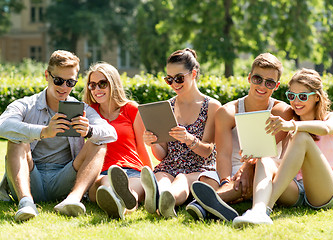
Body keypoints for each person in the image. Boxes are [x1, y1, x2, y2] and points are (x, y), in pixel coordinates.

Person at [0, 50, 117, 222]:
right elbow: (3, 125)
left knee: (99, 143)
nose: (64, 87)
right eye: (59, 80)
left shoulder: (81, 108)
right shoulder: (27, 104)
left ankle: (73, 200)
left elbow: (111, 133)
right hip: (31, 177)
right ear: (47, 75)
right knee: (16, 139)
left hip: (65, 178)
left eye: (70, 82)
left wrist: (89, 131)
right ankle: (26, 203)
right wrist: (43, 132)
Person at [232, 68, 333, 227]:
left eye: (303, 96)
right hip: (298, 191)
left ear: (317, 97)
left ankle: (266, 208)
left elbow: (325, 128)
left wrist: (291, 125)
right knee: (265, 159)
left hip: (327, 191)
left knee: (302, 135)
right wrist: (256, 159)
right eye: (292, 96)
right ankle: (258, 210)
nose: (296, 101)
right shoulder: (291, 130)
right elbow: (287, 167)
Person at [187, 53, 293, 221]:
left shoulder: (282, 112)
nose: (262, 86)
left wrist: (247, 169)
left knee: (253, 176)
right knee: (209, 178)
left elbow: (263, 149)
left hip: (264, 169)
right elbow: (223, 154)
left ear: (277, 86)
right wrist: (226, 181)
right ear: (250, 77)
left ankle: (204, 205)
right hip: (229, 170)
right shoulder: (227, 112)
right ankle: (221, 199)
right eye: (258, 79)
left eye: (269, 82)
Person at [140, 48, 221, 218]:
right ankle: (160, 197)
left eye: (179, 78)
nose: (174, 84)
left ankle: (165, 199)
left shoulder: (212, 106)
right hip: (170, 166)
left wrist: (189, 139)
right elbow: (162, 155)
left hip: (199, 168)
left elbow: (208, 151)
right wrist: (153, 142)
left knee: (182, 179)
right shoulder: (166, 106)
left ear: (193, 73)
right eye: (169, 79)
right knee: (162, 177)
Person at [83, 62, 152, 219]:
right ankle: (114, 199)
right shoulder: (88, 112)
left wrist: (151, 175)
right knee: (106, 183)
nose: (97, 89)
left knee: (133, 191)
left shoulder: (131, 109)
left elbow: (141, 147)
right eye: (92, 85)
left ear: (113, 83)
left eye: (102, 84)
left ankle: (123, 205)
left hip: (132, 169)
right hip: (102, 172)